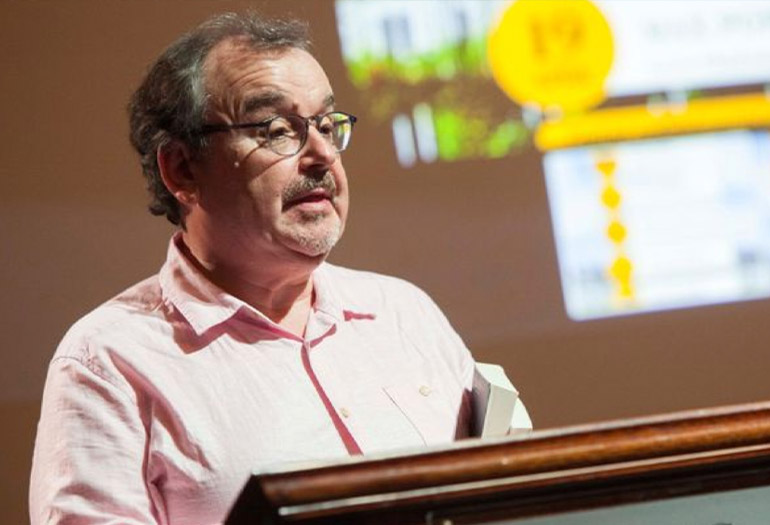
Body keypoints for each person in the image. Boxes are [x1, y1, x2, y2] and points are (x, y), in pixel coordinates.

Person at [30, 12, 475, 524]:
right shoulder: (109, 364)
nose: (322, 155)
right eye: (278, 130)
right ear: (181, 168)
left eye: (327, 126)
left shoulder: (404, 314)